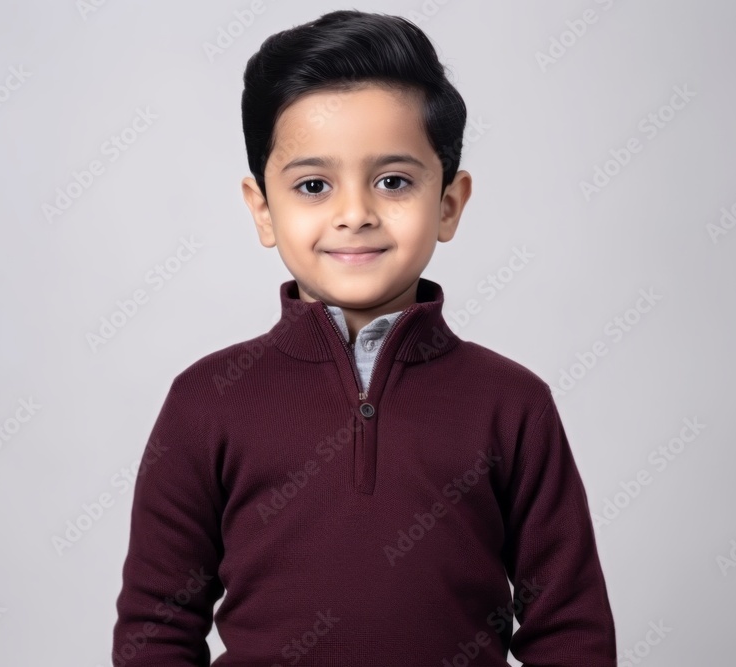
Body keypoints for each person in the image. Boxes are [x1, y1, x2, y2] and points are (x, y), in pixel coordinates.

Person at [112, 9, 616, 666]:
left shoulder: (514, 404)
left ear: (449, 204)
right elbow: (158, 624)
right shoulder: (205, 401)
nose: (355, 213)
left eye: (394, 181)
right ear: (263, 208)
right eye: (314, 185)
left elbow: (569, 627)